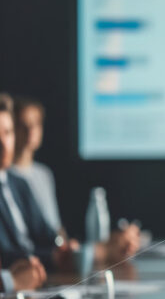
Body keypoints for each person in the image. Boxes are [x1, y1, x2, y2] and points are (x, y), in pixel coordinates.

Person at [0, 94, 139, 273]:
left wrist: (67, 248)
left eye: (7, 133)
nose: (4, 143)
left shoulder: (17, 183)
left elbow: (48, 235)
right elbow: (5, 254)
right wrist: (54, 256)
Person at [11, 97, 62, 233]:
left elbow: (54, 225)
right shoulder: (5, 176)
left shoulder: (44, 174)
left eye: (36, 124)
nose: (30, 131)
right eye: (24, 125)